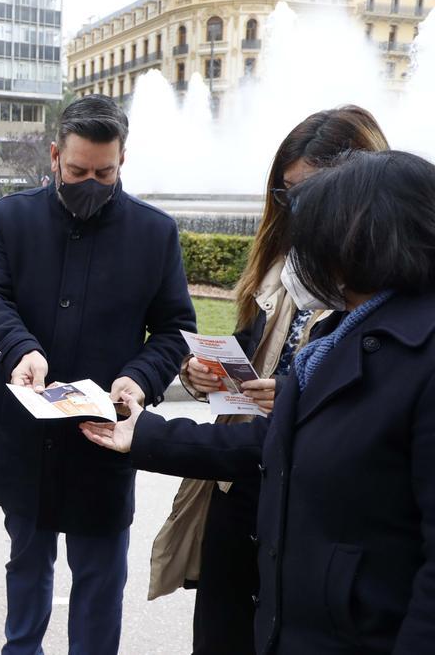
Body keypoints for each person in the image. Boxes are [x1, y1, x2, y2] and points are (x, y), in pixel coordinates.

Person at [82, 150, 435, 654]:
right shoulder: (340, 341)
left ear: (366, 238)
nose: (304, 253)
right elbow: (276, 442)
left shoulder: (410, 355)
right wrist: (148, 433)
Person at [149, 106, 390, 655]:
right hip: (240, 486)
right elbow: (251, 353)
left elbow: (374, 408)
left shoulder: (386, 289)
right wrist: (201, 374)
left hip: (312, 506)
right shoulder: (283, 264)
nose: (298, 210)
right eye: (287, 194)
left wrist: (302, 398)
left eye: (309, 192)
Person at [0, 94, 196, 654]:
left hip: (105, 433)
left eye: (105, 172)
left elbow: (174, 328)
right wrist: (20, 347)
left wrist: (139, 379)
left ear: (123, 161)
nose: (90, 182)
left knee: (100, 576)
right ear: (54, 157)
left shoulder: (154, 232)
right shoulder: (14, 217)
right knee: (26, 562)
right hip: (25, 433)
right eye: (77, 171)